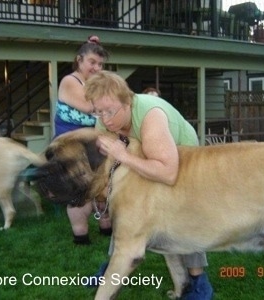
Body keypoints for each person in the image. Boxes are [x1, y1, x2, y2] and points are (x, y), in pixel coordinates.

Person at [84, 70, 213, 300]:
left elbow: (168, 172)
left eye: (110, 111)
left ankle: (198, 281)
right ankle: (114, 267)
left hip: (180, 152)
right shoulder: (104, 121)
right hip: (142, 155)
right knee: (124, 206)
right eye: (98, 111)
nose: (105, 119)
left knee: (185, 215)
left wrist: (122, 156)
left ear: (127, 101)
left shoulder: (150, 116)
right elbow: (107, 170)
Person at [53, 35, 111, 245]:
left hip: (92, 143)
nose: (96, 68)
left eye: (100, 64)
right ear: (79, 60)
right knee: (82, 190)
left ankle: (106, 227)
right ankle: (81, 235)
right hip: (70, 146)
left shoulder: (92, 83)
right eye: (92, 62)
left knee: (104, 184)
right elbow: (91, 107)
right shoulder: (70, 81)